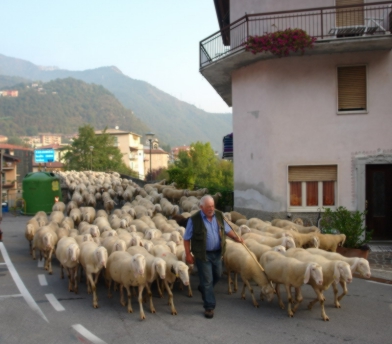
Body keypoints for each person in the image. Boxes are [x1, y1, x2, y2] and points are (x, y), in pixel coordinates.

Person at [183, 195, 243, 319]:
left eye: (212, 206)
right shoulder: (194, 220)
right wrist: (188, 254)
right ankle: (209, 306)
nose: (211, 209)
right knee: (208, 280)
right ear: (201, 207)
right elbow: (186, 238)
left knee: (218, 274)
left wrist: (236, 238)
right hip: (202, 254)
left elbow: (226, 230)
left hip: (217, 253)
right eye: (208, 206)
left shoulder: (219, 216)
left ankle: (203, 288)